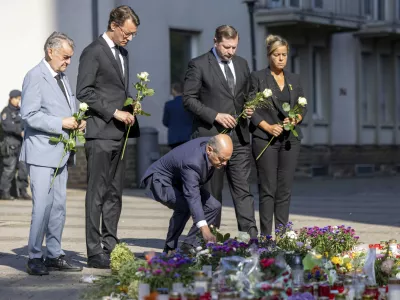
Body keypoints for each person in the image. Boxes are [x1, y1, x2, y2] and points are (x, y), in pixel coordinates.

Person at [76, 5, 140, 269]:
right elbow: (84, 91)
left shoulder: (123, 52)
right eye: (127, 33)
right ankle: (94, 252)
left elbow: (116, 89)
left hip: (120, 133)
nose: (130, 38)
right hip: (100, 133)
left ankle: (110, 244)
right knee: (97, 194)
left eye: (133, 34)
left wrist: (130, 105)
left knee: (115, 193)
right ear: (114, 25)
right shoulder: (92, 52)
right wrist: (114, 111)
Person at [20, 32, 85, 275]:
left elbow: (64, 108)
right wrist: (62, 123)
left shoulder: (62, 77)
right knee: (42, 207)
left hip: (61, 152)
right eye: (65, 57)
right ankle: (34, 256)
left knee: (58, 206)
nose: (68, 61)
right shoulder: (35, 76)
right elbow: (28, 115)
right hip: (40, 152)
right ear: (50, 51)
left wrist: (76, 121)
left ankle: (54, 254)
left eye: (70, 57)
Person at [183, 25, 257, 238]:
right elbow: (188, 100)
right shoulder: (198, 65)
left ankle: (250, 240)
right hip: (212, 139)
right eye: (226, 47)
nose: (230, 52)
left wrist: (250, 106)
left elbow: (248, 93)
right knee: (212, 195)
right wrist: (214, 115)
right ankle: (209, 240)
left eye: (234, 47)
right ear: (215, 41)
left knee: (243, 192)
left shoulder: (242, 64)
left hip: (240, 139)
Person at [248, 35, 307, 236]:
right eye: (276, 55)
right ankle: (266, 237)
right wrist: (267, 127)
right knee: (268, 188)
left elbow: (302, 105)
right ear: (268, 55)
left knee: (284, 189)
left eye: (284, 55)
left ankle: (282, 235)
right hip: (265, 139)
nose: (281, 58)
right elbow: (251, 108)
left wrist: (296, 118)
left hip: (290, 141)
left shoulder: (294, 79)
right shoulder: (257, 77)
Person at [141, 134, 233, 253]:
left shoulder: (213, 145)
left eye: (227, 160)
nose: (224, 163)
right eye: (222, 159)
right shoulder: (192, 162)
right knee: (184, 206)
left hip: (180, 179)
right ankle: (170, 248)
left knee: (214, 206)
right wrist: (204, 229)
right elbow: (192, 197)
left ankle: (188, 246)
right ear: (209, 150)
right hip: (161, 180)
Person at [0, 90, 30, 200]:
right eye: (17, 98)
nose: (18, 101)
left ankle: (23, 192)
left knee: (23, 169)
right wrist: (19, 131)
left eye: (19, 99)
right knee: (9, 169)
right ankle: (4, 193)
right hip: (11, 145)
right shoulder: (6, 111)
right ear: (11, 98)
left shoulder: (21, 111)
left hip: (22, 145)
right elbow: (6, 126)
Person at [162, 82, 193, 149]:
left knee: (175, 158)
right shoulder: (189, 104)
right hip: (188, 137)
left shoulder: (169, 104)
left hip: (174, 138)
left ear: (173, 90)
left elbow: (165, 122)